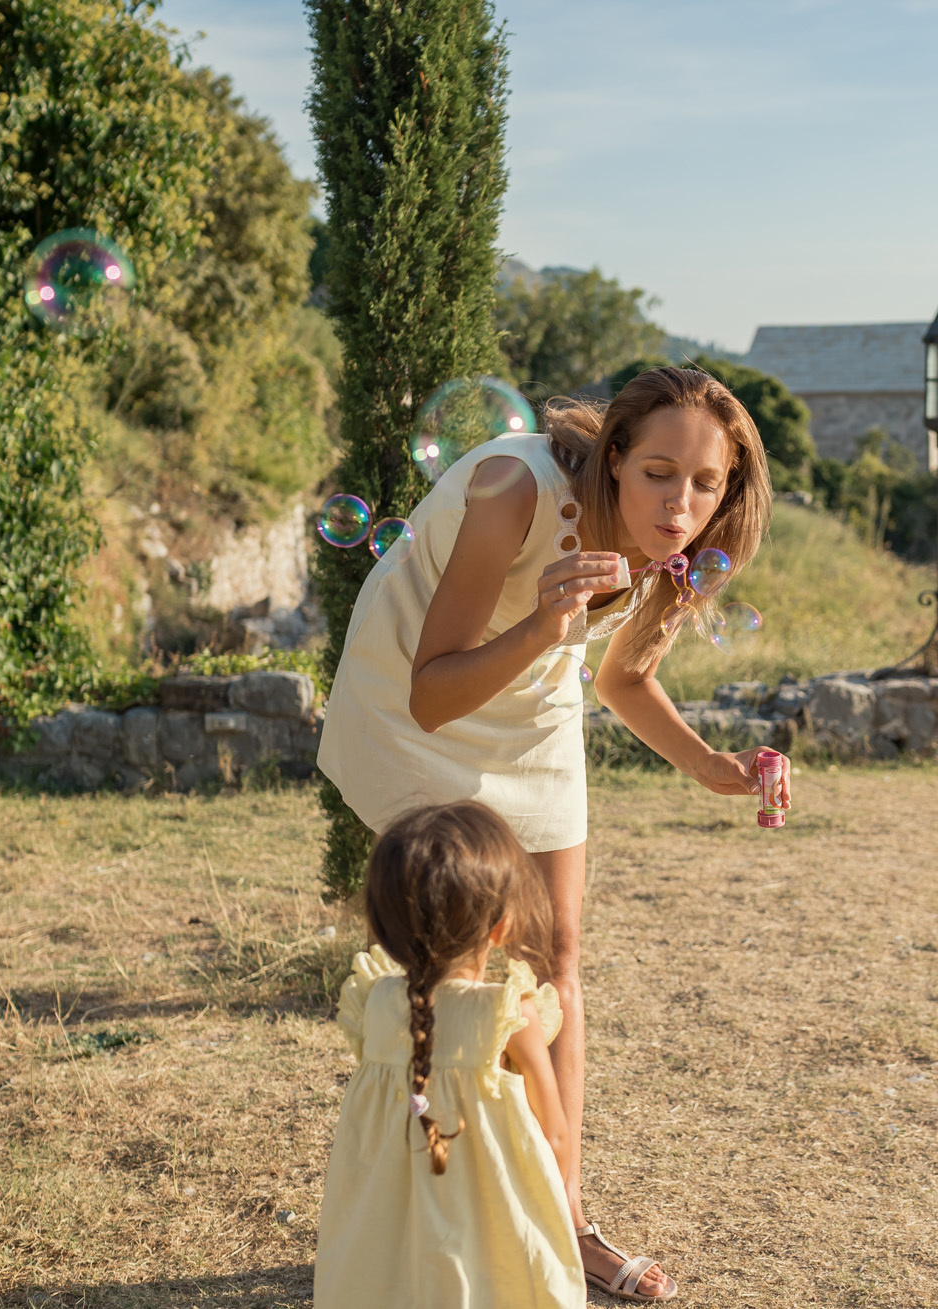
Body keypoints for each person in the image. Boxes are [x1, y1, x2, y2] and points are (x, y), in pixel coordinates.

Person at [318, 365, 787, 1300]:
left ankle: (566, 1222)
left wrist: (711, 767)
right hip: (422, 703)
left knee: (561, 954)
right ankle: (436, 1206)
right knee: (464, 971)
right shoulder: (512, 492)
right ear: (613, 458)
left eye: (706, 483)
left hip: (533, 700)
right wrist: (543, 624)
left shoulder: (677, 548)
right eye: (659, 472)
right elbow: (434, 688)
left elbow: (620, 678)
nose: (680, 503)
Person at [315, 801, 589, 1307]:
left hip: (391, 1223)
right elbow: (554, 1134)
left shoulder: (374, 1002)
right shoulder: (511, 1015)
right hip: (488, 1220)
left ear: (386, 923)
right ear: (502, 925)